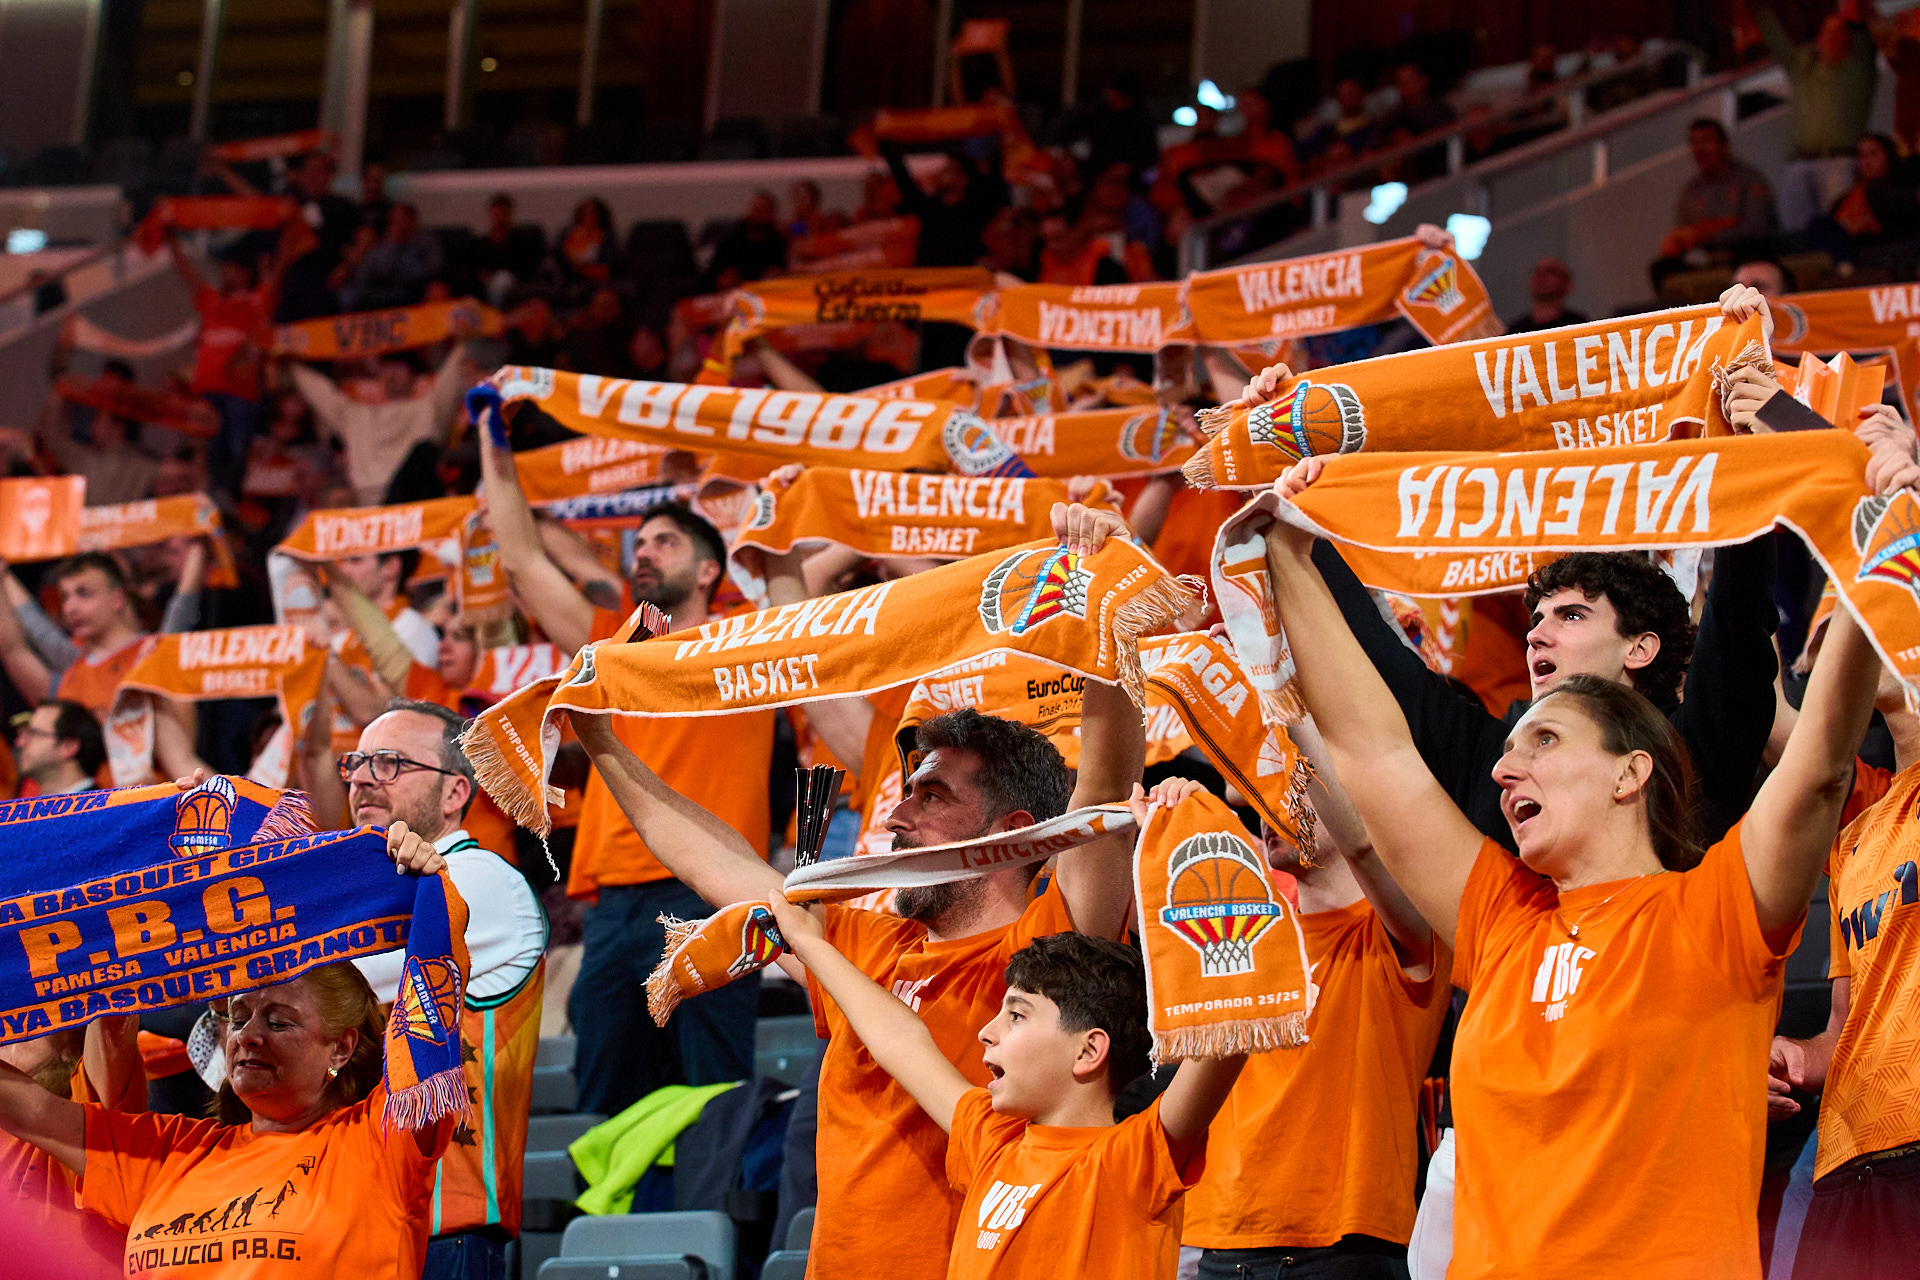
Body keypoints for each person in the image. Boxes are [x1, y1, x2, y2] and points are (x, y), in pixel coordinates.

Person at [1257, 454, 1883, 1277]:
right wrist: (1285, 547)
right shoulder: (1499, 915)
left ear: (1632, 772)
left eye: (1542, 742)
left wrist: (1881, 568)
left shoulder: (1720, 911)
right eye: (1511, 749)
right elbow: (1375, 750)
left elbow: (1818, 770)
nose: (1502, 770)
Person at [571, 500, 1148, 1280]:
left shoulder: (1055, 941)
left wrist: (1110, 589)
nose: (896, 815)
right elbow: (718, 863)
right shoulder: (862, 942)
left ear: (1011, 828)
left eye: (932, 797)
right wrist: (599, 738)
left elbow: (1106, 781)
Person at [762, 782, 1240, 1278]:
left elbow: (1232, 1028)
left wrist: (1193, 842)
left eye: (1016, 1014)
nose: (987, 1032)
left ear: (1089, 1050)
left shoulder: (1135, 1158)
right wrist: (810, 944)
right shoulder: (990, 1139)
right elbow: (897, 1038)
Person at [0, 824, 464, 1279]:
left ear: (340, 1048)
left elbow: (431, 997)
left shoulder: (383, 1145)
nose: (248, 1036)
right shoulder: (168, 1154)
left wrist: (427, 879)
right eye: (238, 1016)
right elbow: (25, 1109)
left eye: (278, 1021)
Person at [480, 427, 778, 1118]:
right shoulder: (611, 645)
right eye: (638, 544)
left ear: (711, 571)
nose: (643, 552)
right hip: (613, 904)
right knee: (606, 1091)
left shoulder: (754, 639)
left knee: (718, 1094)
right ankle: (611, 1225)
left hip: (717, 891)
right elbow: (523, 561)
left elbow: (810, 574)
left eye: (665, 542)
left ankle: (715, 1226)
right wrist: (496, 445)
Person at [1184, 723, 1451, 1279]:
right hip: (1215, 1240)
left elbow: (1362, 846)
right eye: (1266, 788)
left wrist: (1286, 690)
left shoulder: (1407, 930)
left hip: (1342, 1245)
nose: (1269, 803)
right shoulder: (1243, 933)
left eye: (1294, 783)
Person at [334, 701, 547, 1280]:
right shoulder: (365, 898)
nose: (360, 780)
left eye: (389, 764)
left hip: (442, 1228)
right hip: (350, 1221)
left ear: (455, 793)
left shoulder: (482, 880)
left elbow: (339, 979)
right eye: (355, 764)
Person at [0, 1015, 141, 1275]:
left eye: (20, 1022)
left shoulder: (91, 1103)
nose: (5, 1034)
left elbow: (112, 1016)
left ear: (70, 1045)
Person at [287, 335, 472, 506]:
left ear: (413, 374)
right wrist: (290, 361)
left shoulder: (429, 407)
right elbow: (322, 394)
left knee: (424, 451)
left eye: (399, 366)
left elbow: (451, 375)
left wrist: (464, 337)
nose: (392, 374)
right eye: (386, 366)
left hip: (412, 501)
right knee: (334, 497)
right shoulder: (356, 414)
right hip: (365, 503)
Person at [166, 236, 285, 498]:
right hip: (208, 390)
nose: (224, 274)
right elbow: (186, 273)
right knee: (210, 452)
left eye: (229, 268)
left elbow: (276, 275)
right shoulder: (212, 300)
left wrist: (276, 253)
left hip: (241, 393)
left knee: (237, 452)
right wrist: (172, 241)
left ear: (243, 273)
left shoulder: (257, 301)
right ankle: (216, 499)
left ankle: (230, 501)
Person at [1758, 2, 1879, 232]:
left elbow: (1864, 31)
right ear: (1819, 38)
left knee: (1840, 225)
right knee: (1794, 230)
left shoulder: (1858, 69)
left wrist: (1852, 12)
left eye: (1840, 32)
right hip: (1800, 163)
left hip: (1840, 162)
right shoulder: (1802, 67)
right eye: (1829, 32)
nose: (1834, 38)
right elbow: (1775, 39)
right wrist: (1759, 9)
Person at [0, 553, 155, 721]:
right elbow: (17, 648)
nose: (70, 608)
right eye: (65, 597)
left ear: (118, 598)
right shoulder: (71, 679)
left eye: (84, 593)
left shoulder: (156, 652)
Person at [1650, 119, 1780, 291]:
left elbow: (1758, 228)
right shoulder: (1691, 190)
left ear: (1724, 145)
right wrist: (1676, 241)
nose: (1700, 150)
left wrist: (1707, 235)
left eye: (1706, 141)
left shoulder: (1749, 180)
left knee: (1753, 254)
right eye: (1695, 143)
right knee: (1660, 268)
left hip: (1744, 252)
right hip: (1706, 257)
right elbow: (1684, 230)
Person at [882, 145, 1008, 268]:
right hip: (930, 277)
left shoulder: (977, 209)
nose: (940, 173)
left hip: (965, 279)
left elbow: (995, 178)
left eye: (948, 170)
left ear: (962, 178)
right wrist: (886, 144)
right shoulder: (929, 208)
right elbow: (903, 180)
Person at [1808, 132, 1920, 264]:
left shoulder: (1892, 188)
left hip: (1885, 244)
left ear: (1888, 156)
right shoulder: (1846, 198)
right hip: (1849, 246)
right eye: (1861, 155)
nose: (1866, 161)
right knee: (1819, 225)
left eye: (1873, 153)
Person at [339, 202, 445, 312]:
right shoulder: (386, 244)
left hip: (413, 289)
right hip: (385, 290)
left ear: (412, 220)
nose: (396, 226)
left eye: (400, 221)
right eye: (393, 222)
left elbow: (432, 269)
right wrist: (392, 247)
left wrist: (403, 271)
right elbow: (370, 272)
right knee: (350, 294)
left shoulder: (427, 242)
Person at [13, 698, 104, 796]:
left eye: (34, 733)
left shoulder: (100, 808)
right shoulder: (35, 809)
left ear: (68, 747)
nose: (20, 743)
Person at [472, 194, 548, 307]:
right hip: (486, 281)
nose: (500, 219)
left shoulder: (521, 240)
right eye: (497, 214)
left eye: (504, 214)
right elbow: (477, 264)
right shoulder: (483, 242)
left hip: (512, 279)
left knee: (501, 280)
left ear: (510, 215)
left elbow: (523, 265)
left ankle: (497, 314)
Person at [704, 190, 786, 287]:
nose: (758, 214)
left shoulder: (776, 239)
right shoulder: (734, 235)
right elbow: (718, 267)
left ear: (772, 213)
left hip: (761, 289)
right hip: (727, 289)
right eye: (755, 209)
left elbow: (778, 269)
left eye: (763, 210)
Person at [1504, 257, 1589, 332]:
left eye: (1550, 272)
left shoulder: (1578, 327)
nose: (1541, 276)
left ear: (1567, 285)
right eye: (1537, 271)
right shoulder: (1516, 331)